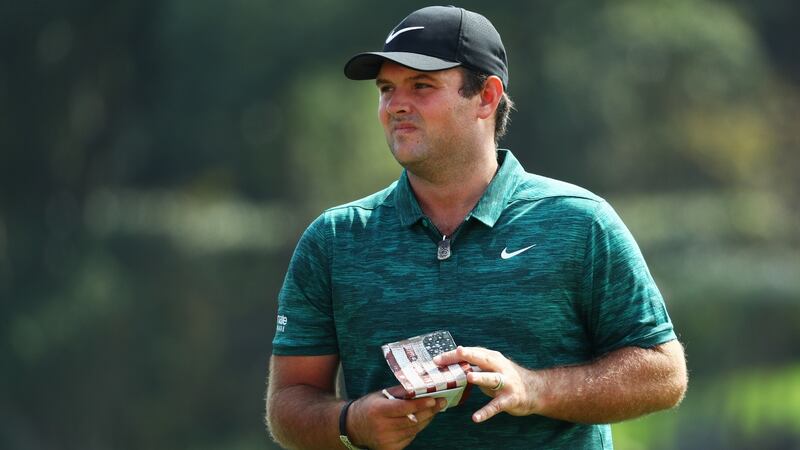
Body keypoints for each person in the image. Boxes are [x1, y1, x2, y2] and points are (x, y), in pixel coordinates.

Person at [266, 5, 687, 450]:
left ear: (486, 96)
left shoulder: (581, 221)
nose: (395, 105)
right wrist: (351, 423)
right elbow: (289, 403)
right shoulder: (334, 239)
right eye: (386, 89)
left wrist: (534, 388)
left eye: (421, 86)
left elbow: (663, 373)